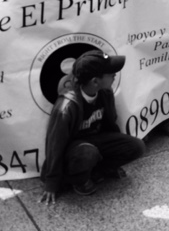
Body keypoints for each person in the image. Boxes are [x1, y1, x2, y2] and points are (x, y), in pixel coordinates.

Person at [39, 50, 145, 204]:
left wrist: (114, 160)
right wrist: (51, 183)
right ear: (95, 81)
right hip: (75, 152)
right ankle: (78, 180)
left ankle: (97, 171)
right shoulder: (66, 107)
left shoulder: (105, 92)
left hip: (95, 142)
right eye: (110, 73)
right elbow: (54, 145)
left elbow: (110, 125)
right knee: (87, 152)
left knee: (137, 146)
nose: (115, 74)